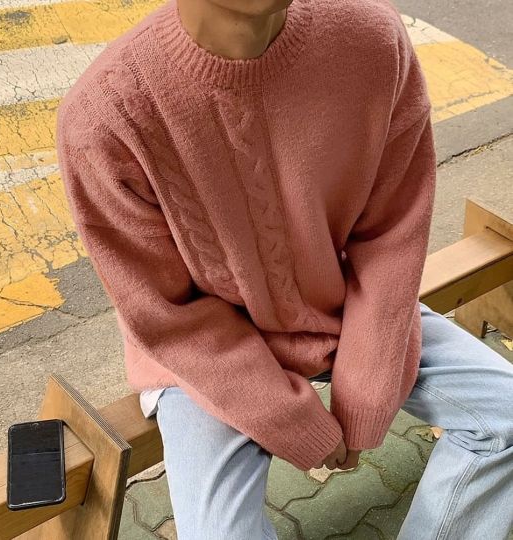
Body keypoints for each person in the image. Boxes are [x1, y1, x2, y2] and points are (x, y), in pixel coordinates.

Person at [56, 0, 513, 538]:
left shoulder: (371, 40)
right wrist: (293, 423)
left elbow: (392, 234)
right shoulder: (105, 115)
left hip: (340, 306)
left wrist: (367, 391)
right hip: (204, 356)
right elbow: (167, 316)